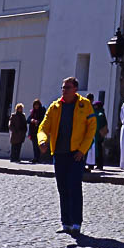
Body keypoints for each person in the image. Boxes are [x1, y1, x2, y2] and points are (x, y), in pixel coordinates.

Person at [37, 76, 96, 235]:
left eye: (67, 87)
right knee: (62, 187)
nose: (64, 90)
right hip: (59, 153)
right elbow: (43, 127)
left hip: (76, 154)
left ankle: (76, 222)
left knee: (74, 187)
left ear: (75, 89)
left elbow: (91, 129)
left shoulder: (85, 105)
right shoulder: (55, 107)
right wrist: (42, 141)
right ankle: (66, 222)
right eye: (63, 87)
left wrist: (82, 150)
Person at [27, 99, 46, 163]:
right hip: (33, 131)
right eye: (35, 105)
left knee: (39, 145)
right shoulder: (33, 112)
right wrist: (32, 120)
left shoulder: (42, 111)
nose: (36, 106)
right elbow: (28, 119)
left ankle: (38, 158)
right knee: (34, 145)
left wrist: (37, 122)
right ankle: (35, 157)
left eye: (37, 105)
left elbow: (43, 120)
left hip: (39, 131)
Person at [92, 98, 108, 171]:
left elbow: (100, 123)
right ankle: (96, 164)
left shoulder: (100, 113)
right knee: (96, 150)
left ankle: (99, 164)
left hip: (98, 134)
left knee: (99, 150)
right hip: (96, 134)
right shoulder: (99, 112)